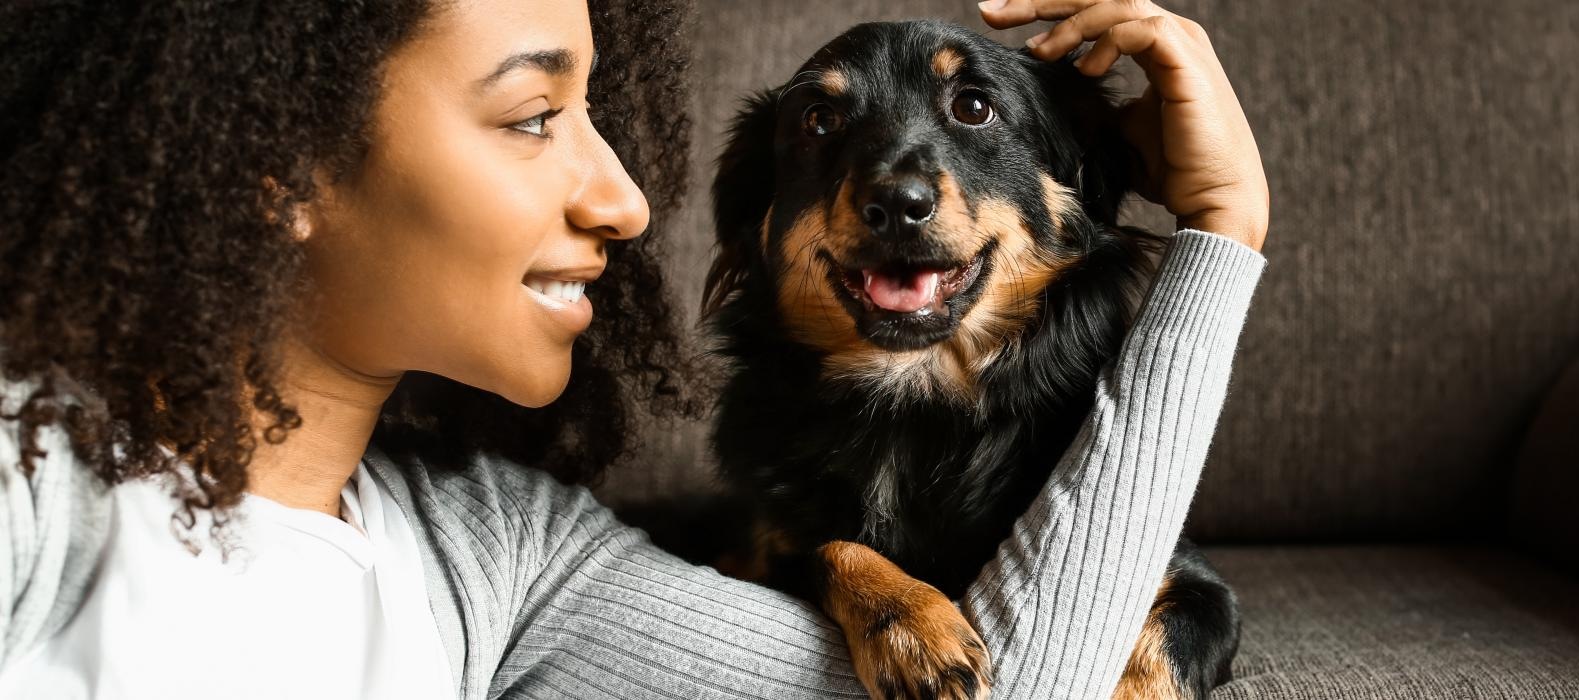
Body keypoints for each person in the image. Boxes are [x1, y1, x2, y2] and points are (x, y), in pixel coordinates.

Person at [0, 0, 1269, 697]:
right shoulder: (33, 477)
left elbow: (1016, 691)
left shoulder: (508, 558)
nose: (625, 199)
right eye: (536, 115)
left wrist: (1222, 237)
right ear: (281, 159)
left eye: (597, 114)